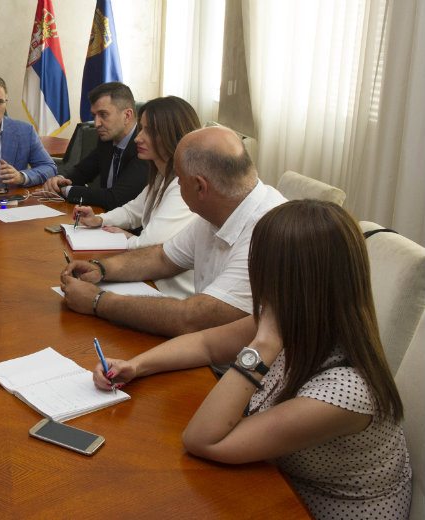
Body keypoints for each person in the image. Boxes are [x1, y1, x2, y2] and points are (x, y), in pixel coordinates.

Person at [91, 201, 411, 519]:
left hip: (310, 507)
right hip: (275, 480)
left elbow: (203, 440)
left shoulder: (344, 392)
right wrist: (137, 365)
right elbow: (205, 344)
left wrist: (262, 345)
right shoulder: (301, 319)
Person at [61, 126, 287, 337]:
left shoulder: (267, 235)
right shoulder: (221, 208)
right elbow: (163, 257)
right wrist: (102, 268)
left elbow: (193, 319)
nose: (176, 186)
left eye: (179, 179)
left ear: (200, 186)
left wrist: (98, 301)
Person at [71, 96, 201, 298]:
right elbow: (133, 211)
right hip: (150, 279)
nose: (138, 138)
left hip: (170, 291)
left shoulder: (182, 186)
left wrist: (128, 238)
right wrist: (100, 220)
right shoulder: (162, 175)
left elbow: (150, 246)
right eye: (141, 129)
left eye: (148, 131)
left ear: (172, 134)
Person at [42, 82, 147, 210]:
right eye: (94, 116)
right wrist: (59, 181)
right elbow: (82, 172)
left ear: (127, 115)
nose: (96, 123)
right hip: (103, 217)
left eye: (103, 115)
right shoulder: (107, 140)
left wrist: (67, 191)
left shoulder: (144, 147)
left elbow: (116, 198)